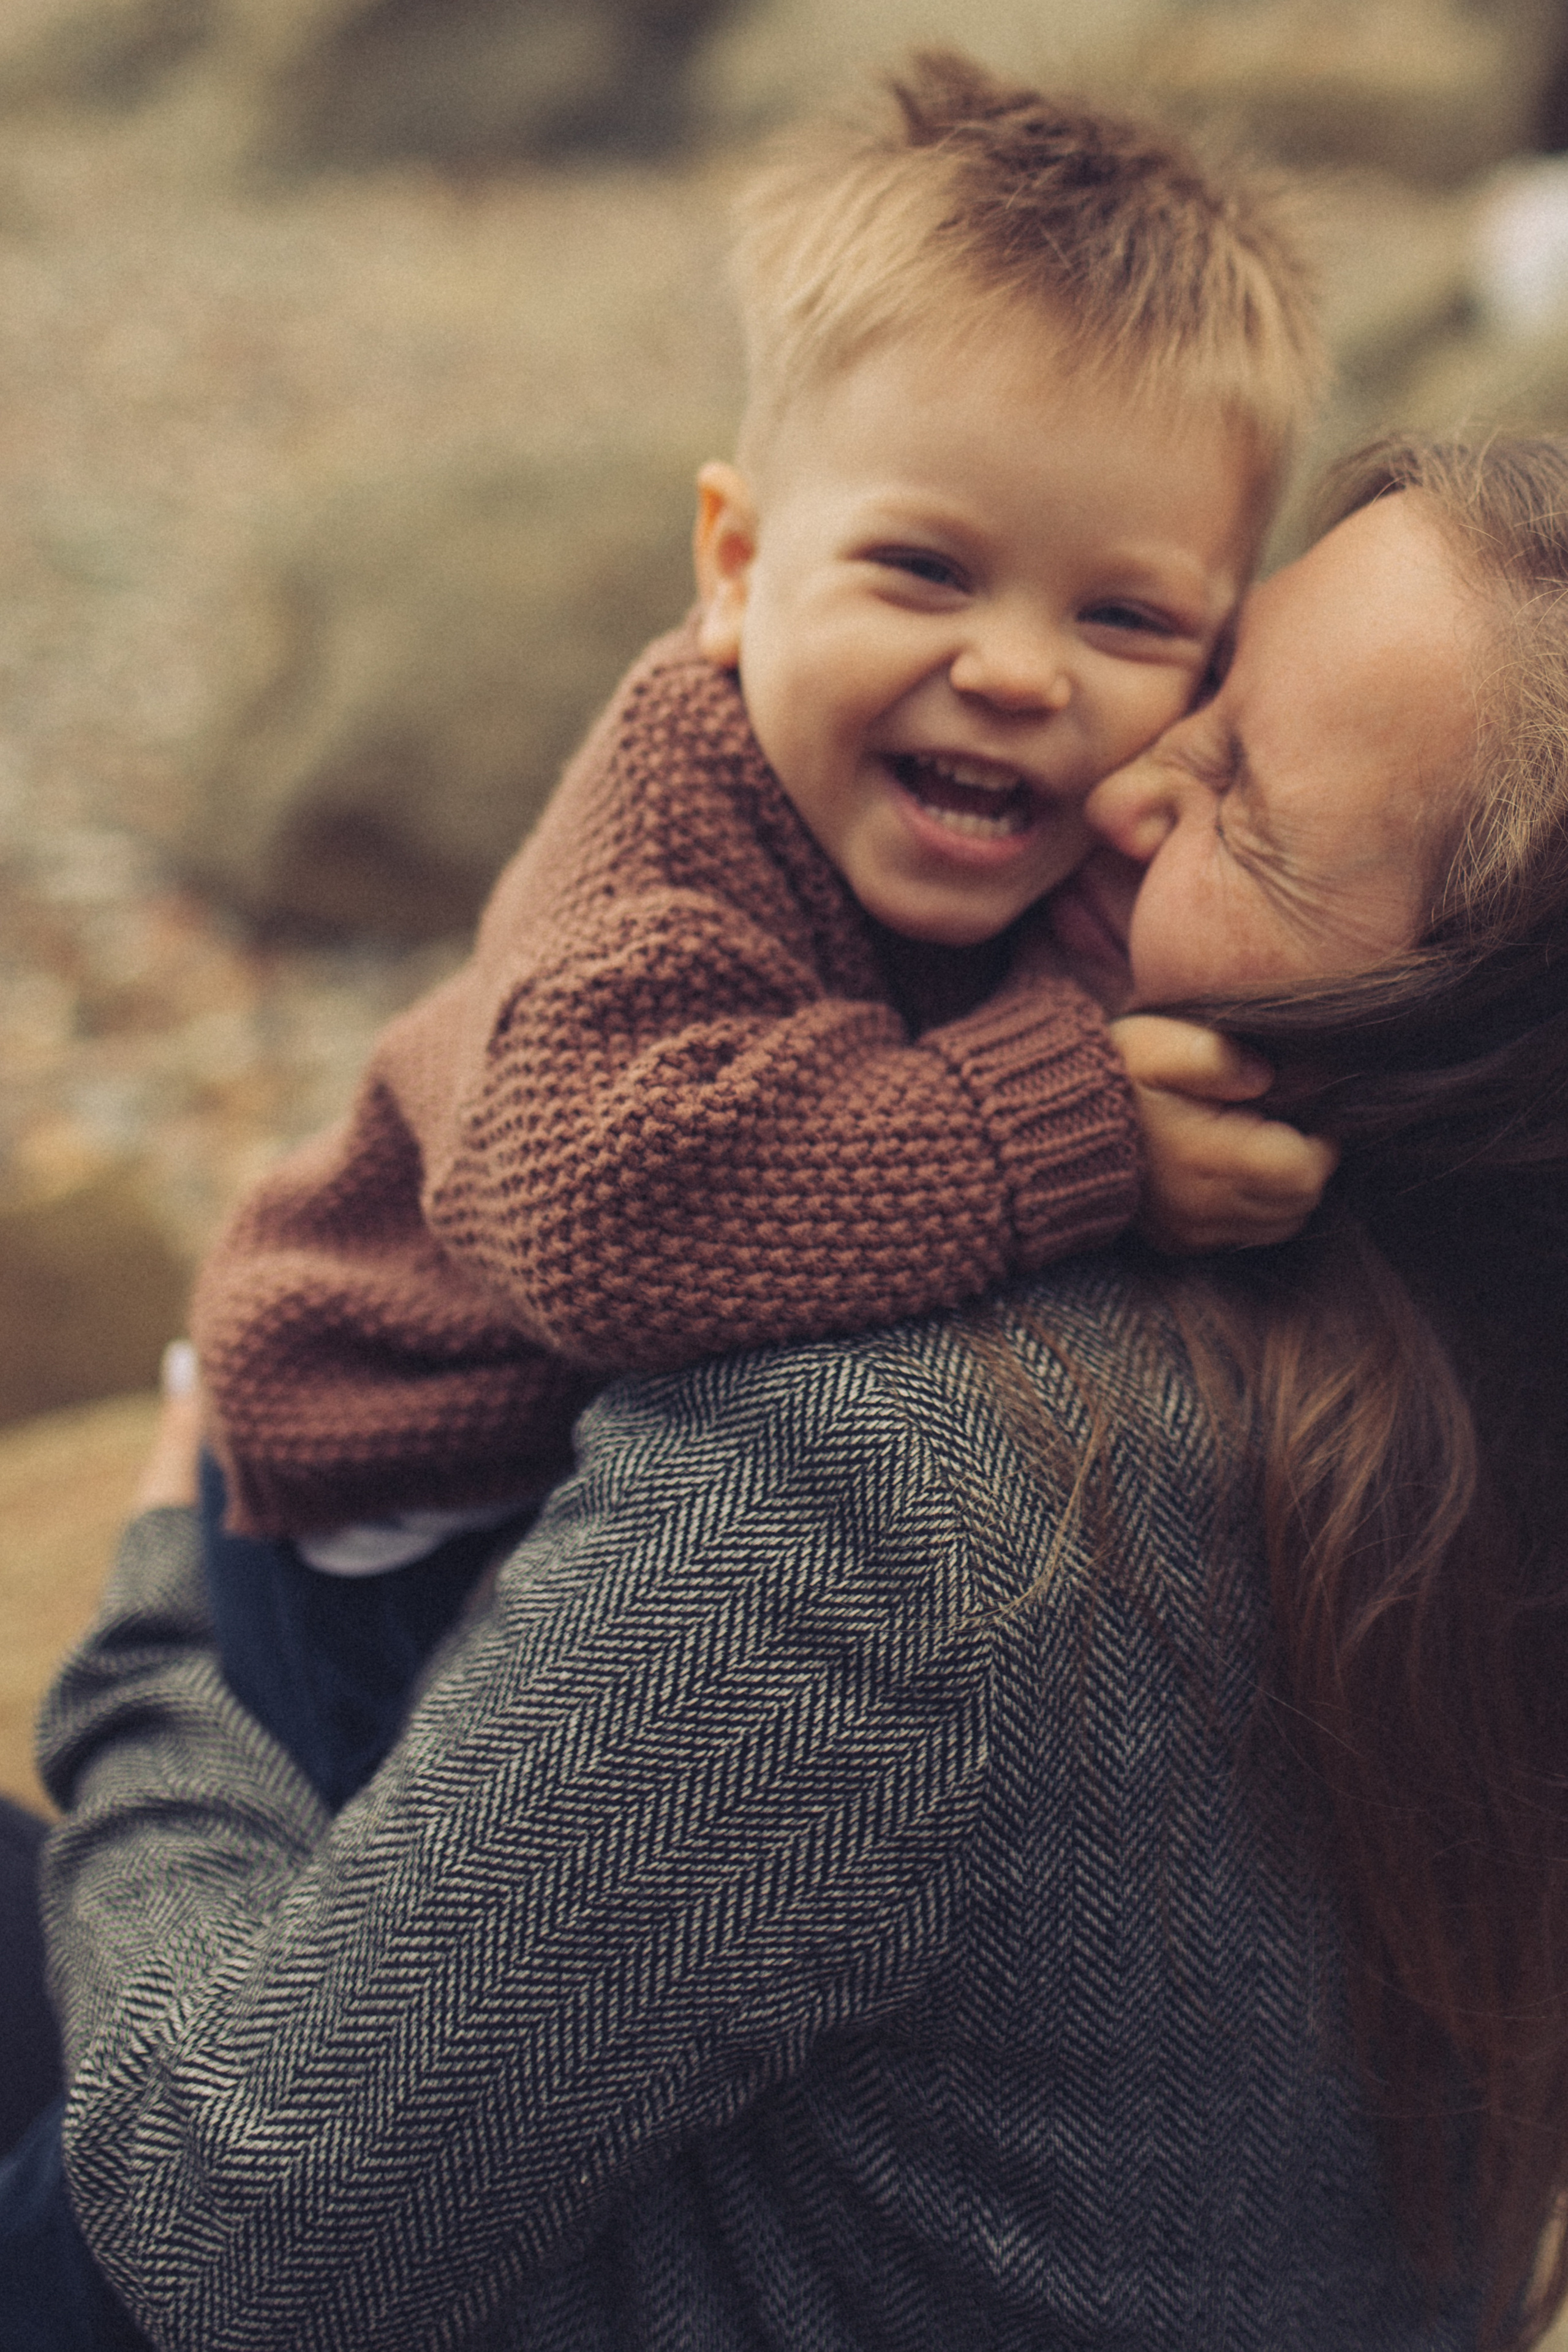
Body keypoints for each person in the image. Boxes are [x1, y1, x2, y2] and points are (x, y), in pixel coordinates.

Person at [9, 430, 1568, 2350]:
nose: (1121, 779)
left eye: (1242, 809)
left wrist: (159, 1628)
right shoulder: (1499, 1434)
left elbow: (231, 2229)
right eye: (1208, 687)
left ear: (1453, 1055)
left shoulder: (914, 1503)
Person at [186, 51, 1330, 1808]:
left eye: (1123, 617)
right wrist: (1087, 1128)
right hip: (385, 1493)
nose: (1015, 671)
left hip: (589, 1442)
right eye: (924, 571)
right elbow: (606, 1217)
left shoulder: (1091, 831)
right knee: (418, 1885)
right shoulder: (669, 818)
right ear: (735, 566)